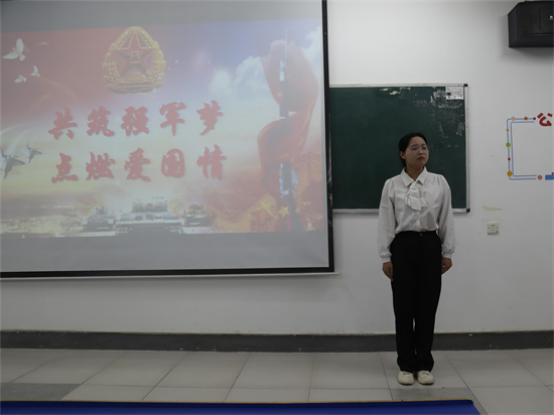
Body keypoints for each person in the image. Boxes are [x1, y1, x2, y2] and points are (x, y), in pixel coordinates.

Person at [377, 132, 455, 386]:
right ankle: (406, 365)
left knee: (427, 307)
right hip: (403, 247)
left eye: (424, 147)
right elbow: (386, 223)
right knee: (403, 308)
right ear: (402, 154)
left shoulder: (439, 182)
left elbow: (446, 218)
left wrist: (447, 252)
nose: (421, 151)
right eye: (414, 148)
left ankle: (424, 364)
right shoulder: (392, 185)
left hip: (431, 245)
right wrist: (386, 256)